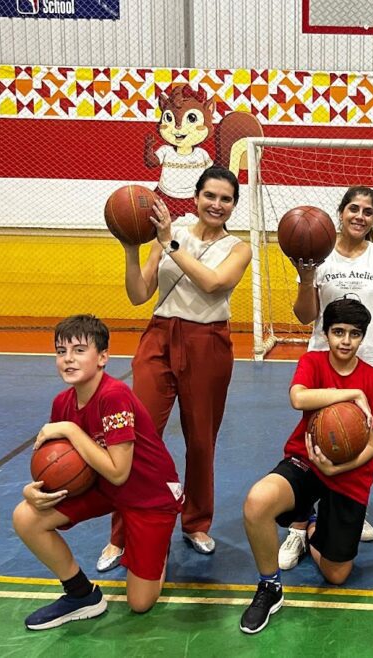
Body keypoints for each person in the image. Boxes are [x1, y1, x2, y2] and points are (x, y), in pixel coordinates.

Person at [96, 166, 252, 571]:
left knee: (201, 440)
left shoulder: (238, 248)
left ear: (234, 205)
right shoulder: (169, 231)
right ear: (196, 197)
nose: (216, 204)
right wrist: (131, 248)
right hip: (159, 337)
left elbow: (213, 284)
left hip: (208, 342)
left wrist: (170, 243)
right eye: (210, 196)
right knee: (134, 437)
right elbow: (139, 294)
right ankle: (121, 534)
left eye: (226, 199)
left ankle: (195, 523)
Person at [12, 314, 183, 630]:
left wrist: (70, 429)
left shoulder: (114, 396)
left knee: (140, 603)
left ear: (103, 357)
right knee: (26, 517)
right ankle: (81, 595)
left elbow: (119, 472)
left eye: (79, 350)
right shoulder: (62, 403)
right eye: (61, 351)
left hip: (149, 494)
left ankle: (158, 548)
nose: (68, 359)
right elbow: (61, 466)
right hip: (102, 486)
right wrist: (33, 491)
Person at [238, 299, 373, 634]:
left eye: (354, 334)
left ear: (363, 337)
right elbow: (298, 398)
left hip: (349, 473)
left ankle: (309, 530)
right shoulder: (312, 361)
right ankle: (269, 587)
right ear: (326, 333)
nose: (345, 341)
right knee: (257, 502)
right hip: (306, 461)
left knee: (337, 575)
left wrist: (339, 468)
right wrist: (351, 394)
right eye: (338, 332)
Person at [280, 186, 373, 569]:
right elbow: (305, 316)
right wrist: (306, 278)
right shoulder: (320, 255)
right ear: (341, 212)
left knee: (354, 440)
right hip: (326, 363)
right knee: (315, 439)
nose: (360, 216)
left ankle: (349, 507)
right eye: (354, 208)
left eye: (368, 211)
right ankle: (299, 525)